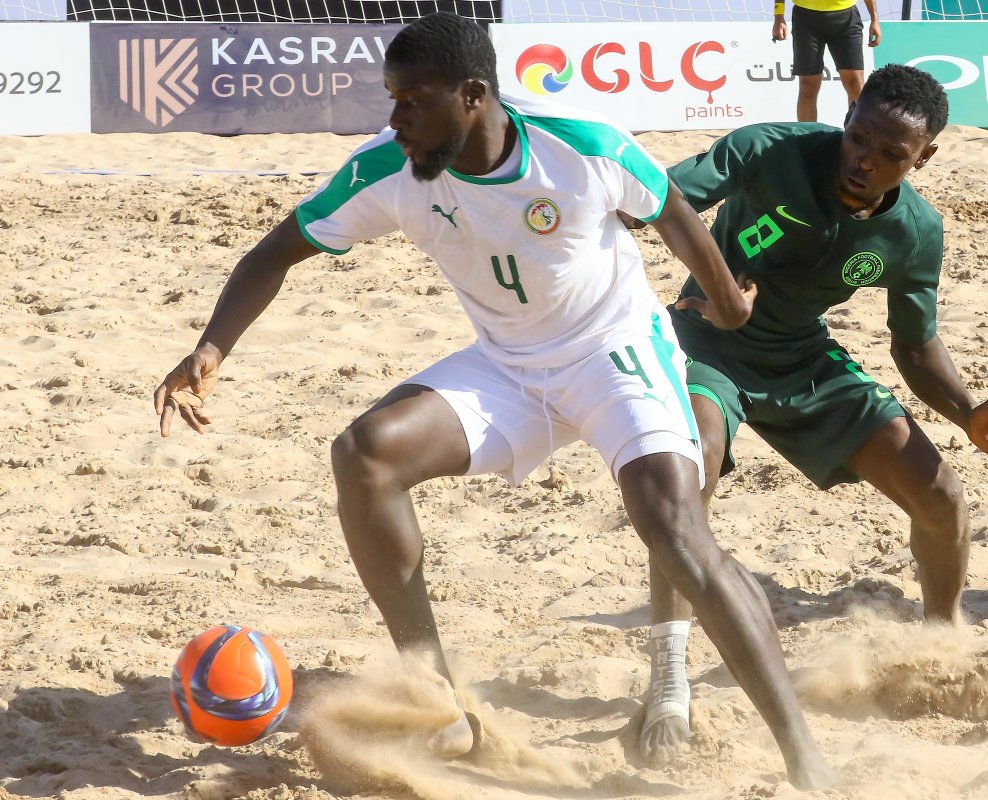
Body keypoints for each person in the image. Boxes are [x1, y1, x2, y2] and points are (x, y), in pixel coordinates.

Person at [152, 11, 833, 790]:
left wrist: (730, 305)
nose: (396, 118)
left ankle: (804, 759)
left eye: (414, 101)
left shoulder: (583, 146)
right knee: (366, 455)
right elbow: (276, 250)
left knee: (673, 525)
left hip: (613, 351)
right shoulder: (386, 169)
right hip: (508, 367)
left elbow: (671, 212)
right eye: (392, 99)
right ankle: (437, 700)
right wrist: (210, 349)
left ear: (473, 96)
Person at [634, 64, 988, 766]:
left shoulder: (915, 231)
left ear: (923, 158)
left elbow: (914, 344)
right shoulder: (769, 150)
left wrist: (967, 413)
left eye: (890, 153)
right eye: (858, 137)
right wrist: (718, 284)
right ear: (846, 121)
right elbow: (659, 199)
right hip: (706, 342)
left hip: (803, 359)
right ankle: (668, 682)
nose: (864, 159)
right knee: (691, 472)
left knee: (941, 496)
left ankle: (940, 642)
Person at [772, 0, 881, 122]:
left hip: (847, 17)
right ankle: (807, 133)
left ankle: (859, 133)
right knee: (808, 85)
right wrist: (779, 16)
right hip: (805, 18)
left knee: (855, 82)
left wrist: (874, 19)